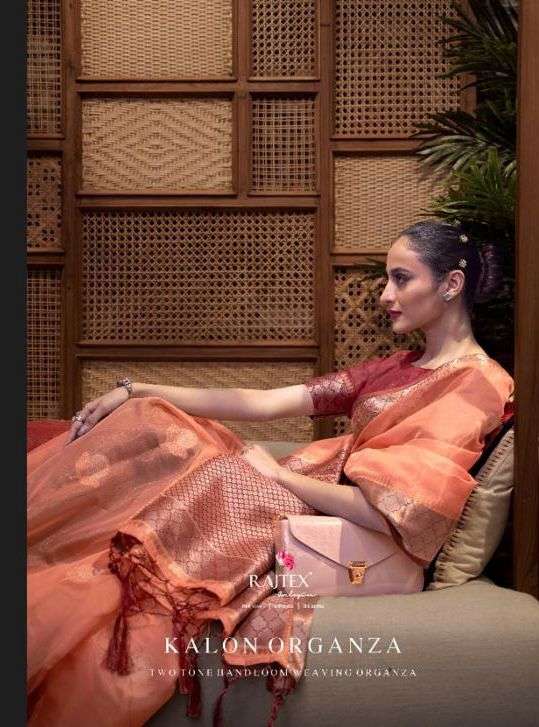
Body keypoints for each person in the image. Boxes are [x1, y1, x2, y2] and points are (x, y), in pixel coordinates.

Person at [27, 220, 513, 727]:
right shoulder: (396, 367)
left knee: (198, 470)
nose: (385, 295)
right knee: (154, 422)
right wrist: (136, 390)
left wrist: (279, 478)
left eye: (401, 278)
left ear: (451, 284)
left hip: (332, 518)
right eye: (386, 280)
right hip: (303, 491)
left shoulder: (475, 385)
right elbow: (261, 402)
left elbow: (392, 512)